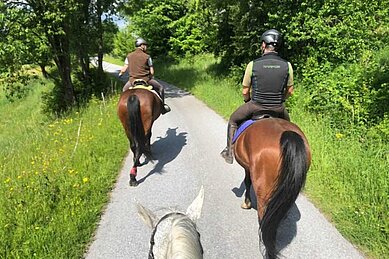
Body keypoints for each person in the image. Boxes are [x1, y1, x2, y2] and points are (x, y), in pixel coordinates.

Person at [220, 29, 294, 164]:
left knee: (233, 120)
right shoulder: (287, 65)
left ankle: (229, 152)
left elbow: (245, 90)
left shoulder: (253, 64)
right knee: (290, 127)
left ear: (264, 45)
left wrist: (247, 101)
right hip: (278, 108)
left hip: (255, 106)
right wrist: (281, 100)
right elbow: (290, 90)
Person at [118, 38, 171, 114]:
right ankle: (163, 108)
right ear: (142, 45)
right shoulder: (147, 56)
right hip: (146, 79)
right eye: (145, 45)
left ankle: (120, 109)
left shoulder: (129, 56)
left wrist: (120, 74)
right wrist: (151, 76)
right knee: (160, 88)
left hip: (132, 80)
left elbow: (124, 69)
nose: (146, 47)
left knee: (124, 90)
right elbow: (152, 72)